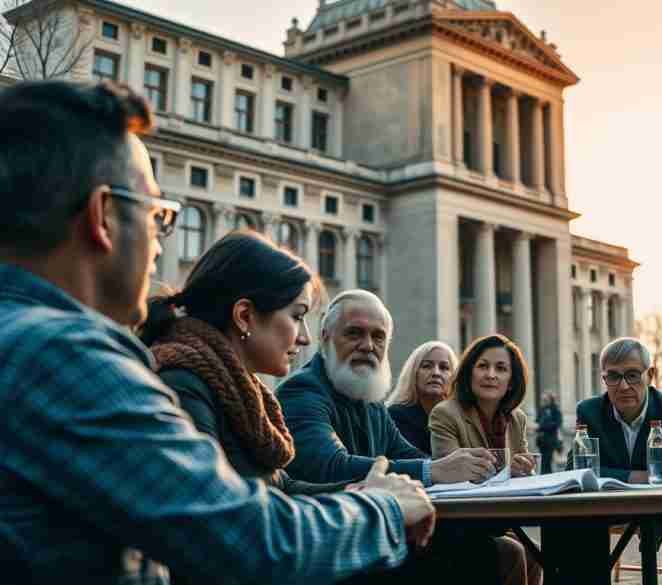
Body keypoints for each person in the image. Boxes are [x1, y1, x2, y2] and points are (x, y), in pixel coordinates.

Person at [0, 80, 432, 583]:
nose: (160, 246)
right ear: (102, 216)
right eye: (158, 216)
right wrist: (384, 510)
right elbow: (251, 542)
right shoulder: (61, 355)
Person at [140, 231, 354, 498]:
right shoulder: (183, 389)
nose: (306, 338)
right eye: (297, 316)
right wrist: (373, 504)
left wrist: (369, 491)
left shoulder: (235, 387)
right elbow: (227, 508)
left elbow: (282, 487)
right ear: (244, 316)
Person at [278, 289, 495, 485]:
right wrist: (432, 470)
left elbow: (404, 454)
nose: (368, 346)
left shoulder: (371, 398)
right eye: (354, 333)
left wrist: (469, 469)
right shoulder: (301, 390)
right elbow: (331, 466)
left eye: (378, 336)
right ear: (325, 337)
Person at [428, 333, 541, 585]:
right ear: (469, 373)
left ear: (511, 381)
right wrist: (507, 471)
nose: (491, 375)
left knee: (537, 552)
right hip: (459, 525)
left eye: (501, 368)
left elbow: (523, 474)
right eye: (482, 366)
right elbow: (451, 476)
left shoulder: (517, 419)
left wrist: (524, 470)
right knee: (514, 553)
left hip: (500, 521)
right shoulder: (445, 413)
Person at [569, 337, 662, 483]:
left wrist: (613, 474)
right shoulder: (589, 412)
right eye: (613, 377)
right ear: (604, 378)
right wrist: (636, 477)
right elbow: (575, 470)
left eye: (632, 375)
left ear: (650, 375)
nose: (623, 386)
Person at [386, 341, 459, 455]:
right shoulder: (395, 415)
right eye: (427, 366)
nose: (436, 373)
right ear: (413, 373)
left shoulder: (460, 418)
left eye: (444, 367)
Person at [536, 391, 564, 473]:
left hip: (551, 439)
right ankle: (544, 475)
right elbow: (537, 421)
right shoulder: (542, 409)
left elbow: (557, 423)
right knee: (543, 461)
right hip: (541, 440)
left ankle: (547, 475)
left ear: (550, 399)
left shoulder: (555, 410)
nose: (544, 401)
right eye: (543, 399)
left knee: (548, 461)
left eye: (545, 399)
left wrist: (542, 426)